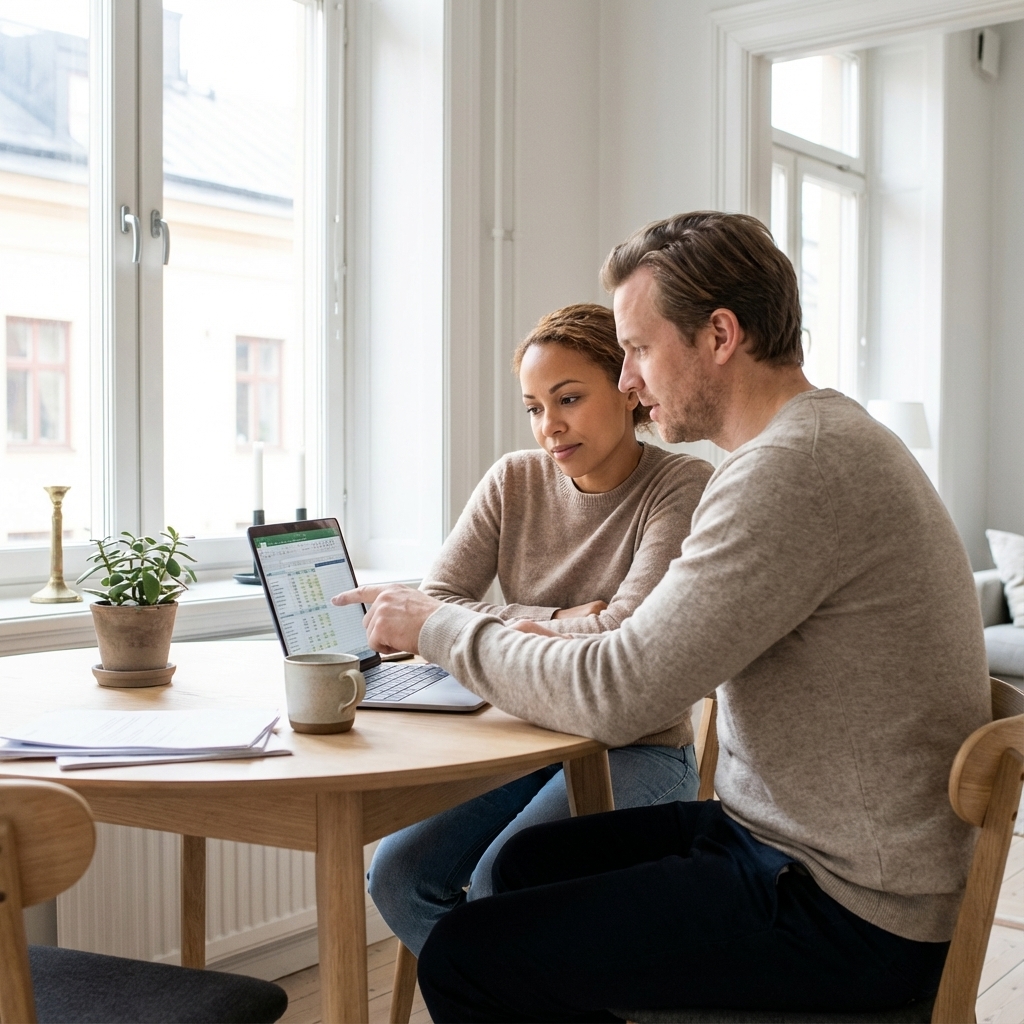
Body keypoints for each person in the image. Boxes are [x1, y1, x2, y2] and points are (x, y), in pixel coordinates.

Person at [335, 212, 991, 1022]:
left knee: (470, 957)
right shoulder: (808, 444)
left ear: (719, 335)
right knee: (523, 868)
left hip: (850, 909)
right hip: (792, 846)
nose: (629, 381)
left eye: (639, 350)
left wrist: (437, 626)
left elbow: (620, 692)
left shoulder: (792, 469)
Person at [366, 302, 713, 957]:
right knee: (398, 876)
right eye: (534, 407)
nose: (549, 426)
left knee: (503, 883)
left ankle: (518, 989)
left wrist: (482, 624)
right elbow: (436, 603)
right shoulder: (513, 480)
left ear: (628, 387)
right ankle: (513, 993)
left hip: (636, 746)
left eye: (569, 399)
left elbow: (624, 636)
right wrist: (555, 620)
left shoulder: (682, 485)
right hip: (521, 738)